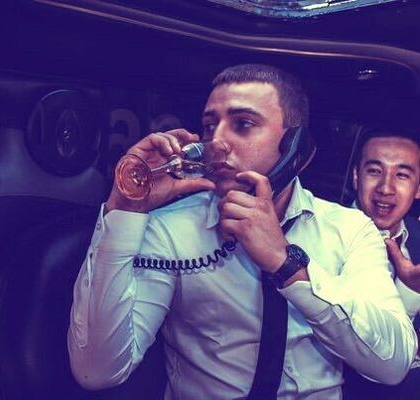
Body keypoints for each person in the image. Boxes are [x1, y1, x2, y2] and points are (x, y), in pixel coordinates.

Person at [68, 64, 417, 399]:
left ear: (294, 145)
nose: (217, 142)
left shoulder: (350, 229)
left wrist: (287, 264)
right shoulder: (169, 229)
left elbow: (393, 365)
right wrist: (125, 209)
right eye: (209, 127)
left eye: (244, 124)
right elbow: (96, 372)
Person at [344, 127, 420, 399]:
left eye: (402, 175)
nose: (386, 188)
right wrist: (410, 292)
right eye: (375, 171)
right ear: (356, 177)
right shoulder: (323, 235)